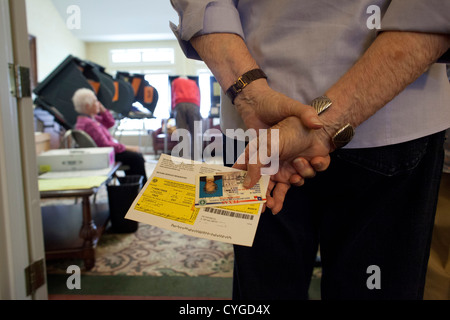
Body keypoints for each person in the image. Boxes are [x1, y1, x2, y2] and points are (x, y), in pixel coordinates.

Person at [170, 0, 450, 299]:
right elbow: (433, 10)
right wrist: (325, 123)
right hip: (389, 119)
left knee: (266, 291)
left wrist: (251, 95)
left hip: (257, 128)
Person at [72, 88, 147, 186]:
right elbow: (106, 145)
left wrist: (103, 110)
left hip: (103, 152)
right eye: (95, 101)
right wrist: (130, 148)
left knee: (134, 157)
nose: (98, 103)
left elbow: (110, 122)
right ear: (87, 106)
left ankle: (133, 187)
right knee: (136, 158)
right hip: (103, 155)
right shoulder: (90, 124)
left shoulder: (89, 120)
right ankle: (140, 189)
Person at [171, 77, 203, 159]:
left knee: (182, 133)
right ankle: (196, 158)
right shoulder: (194, 82)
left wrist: (173, 109)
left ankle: (183, 157)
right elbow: (198, 95)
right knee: (195, 134)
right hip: (194, 104)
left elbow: (172, 95)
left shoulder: (175, 82)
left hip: (180, 103)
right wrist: (198, 109)